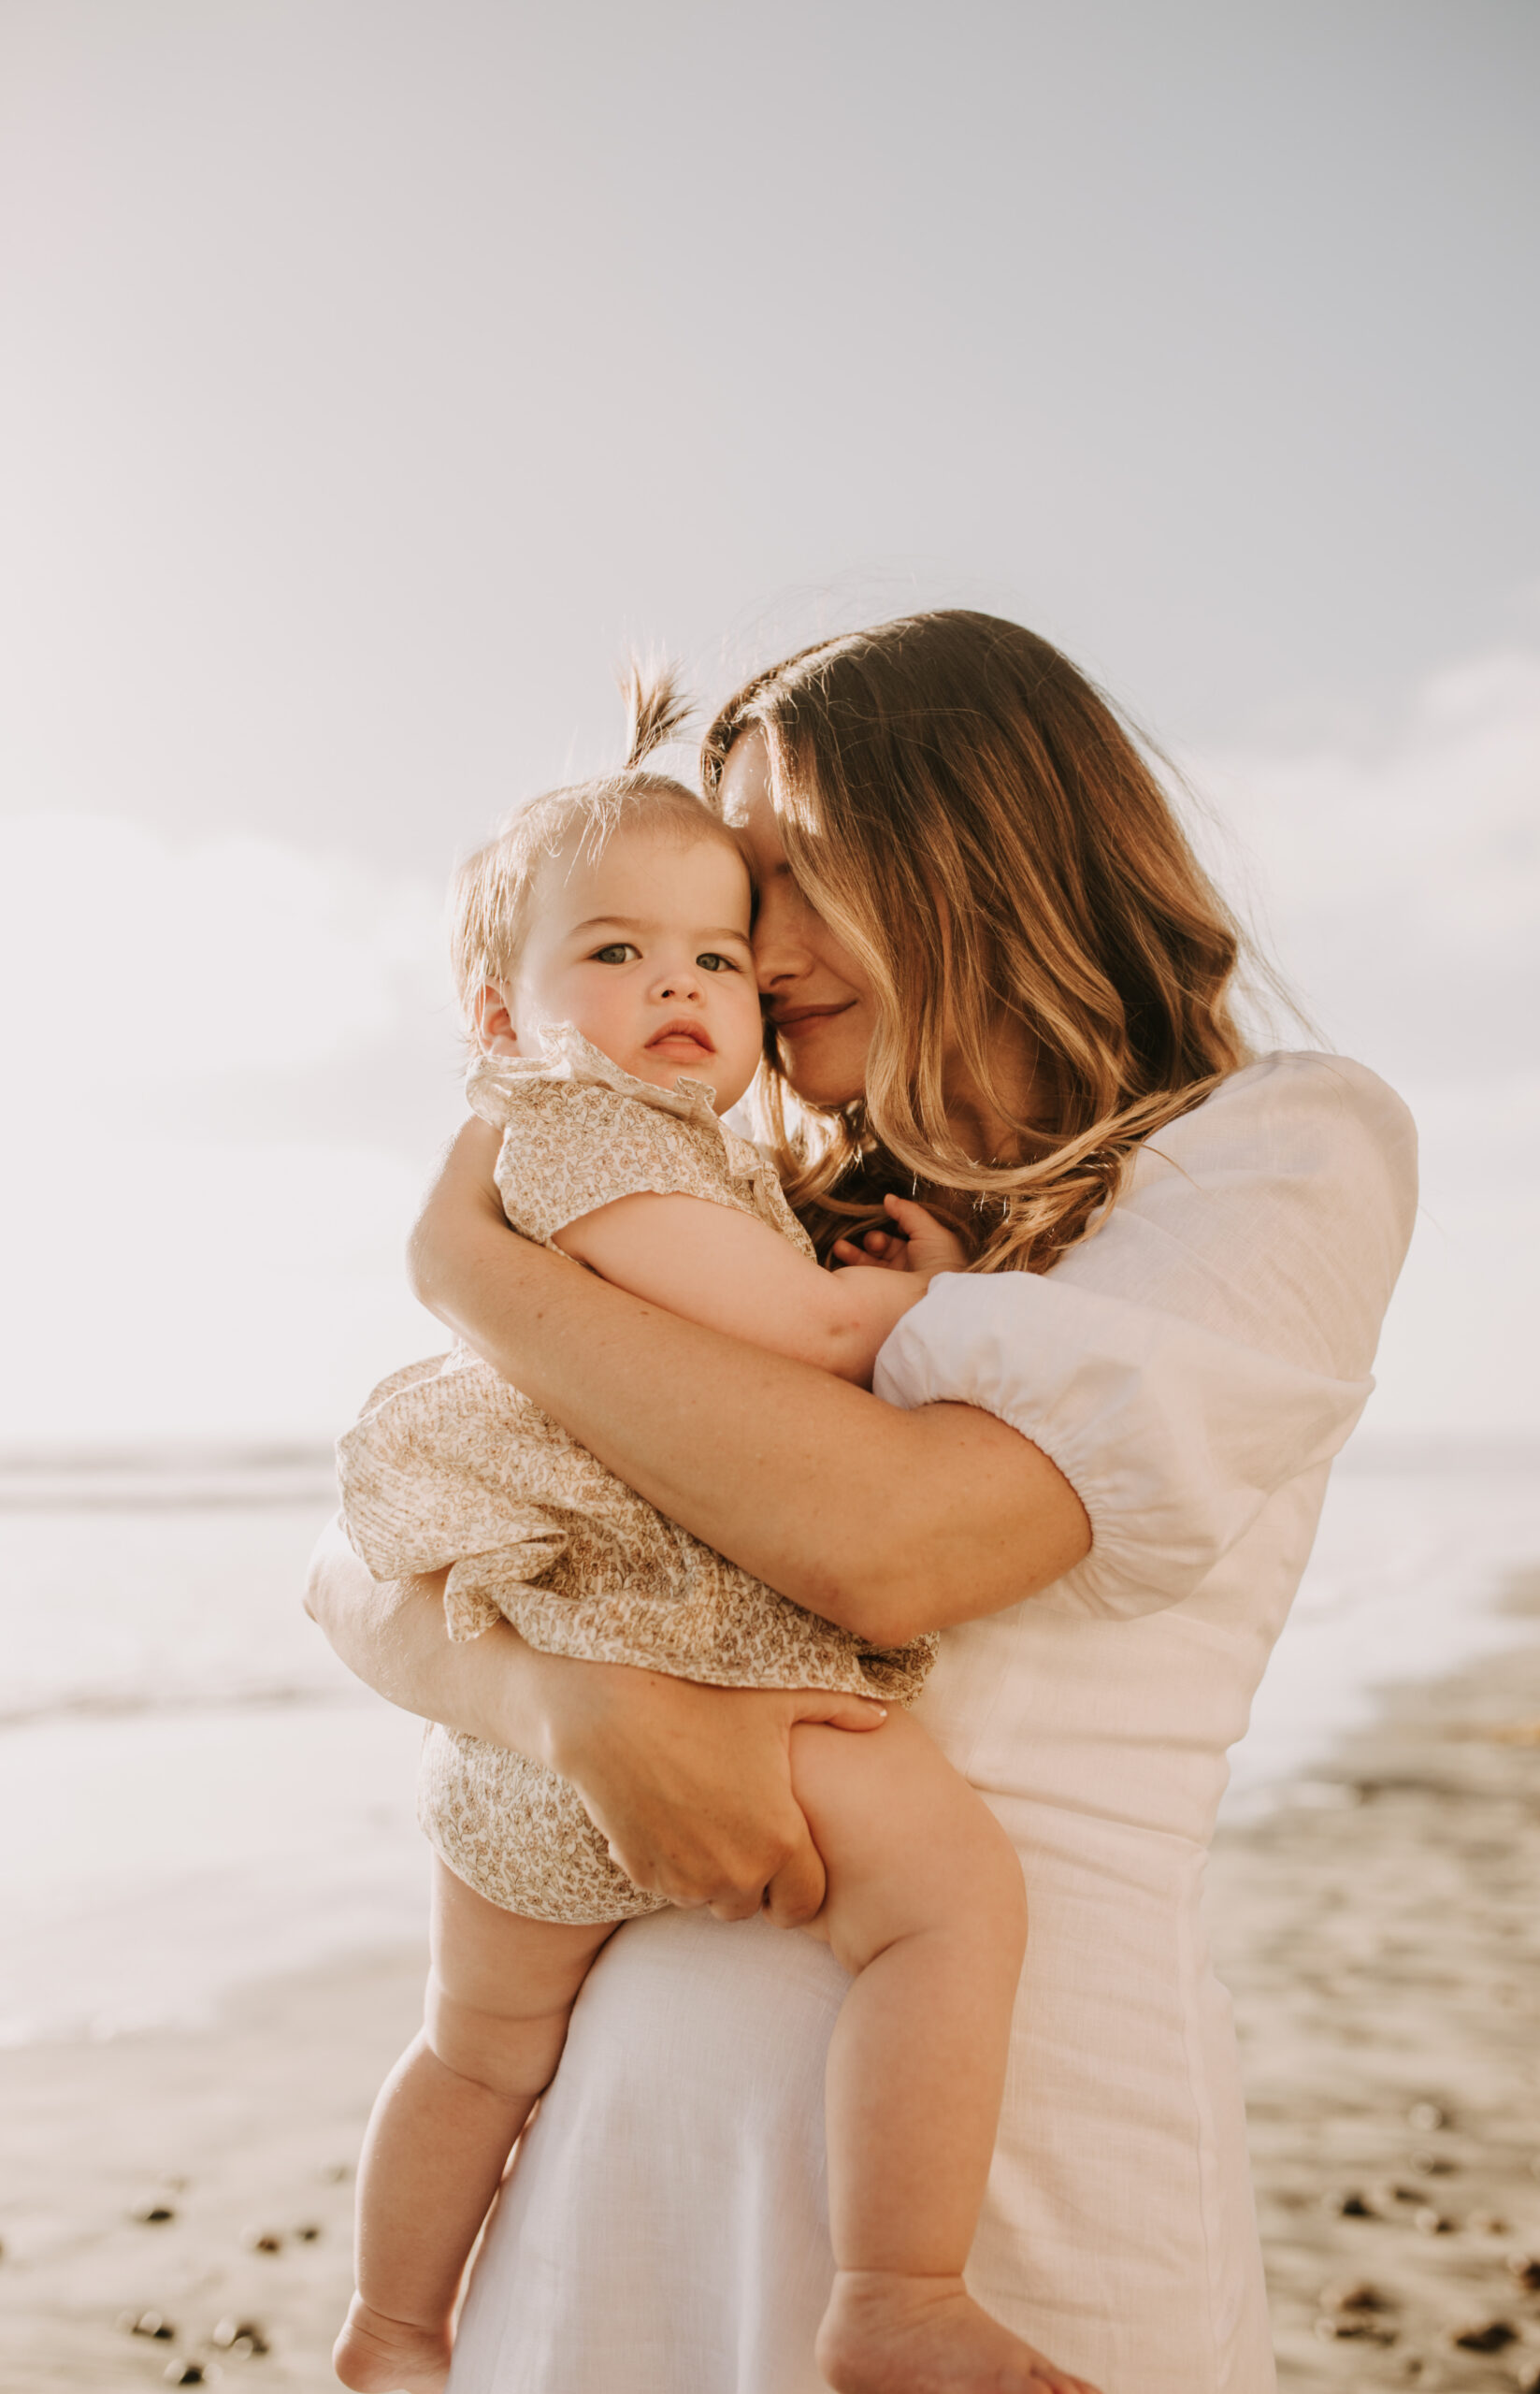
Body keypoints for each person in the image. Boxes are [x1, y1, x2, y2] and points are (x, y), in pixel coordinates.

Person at [307, 610, 1418, 2394]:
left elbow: (897, 1548)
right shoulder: (765, 1207)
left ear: (976, 839)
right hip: (614, 2173)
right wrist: (569, 1705)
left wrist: (478, 1277)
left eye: (794, 879)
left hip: (1013, 2178)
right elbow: (359, 1569)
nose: (752, 951)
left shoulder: (1277, 1153)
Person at [329, 676, 1085, 2394]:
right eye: (613, 953)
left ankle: (389, 2333)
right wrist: (939, 1294)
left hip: (560, 1714)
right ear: (497, 1005)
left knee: (476, 2056)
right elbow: (811, 1347)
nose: (679, 983)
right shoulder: (586, 1140)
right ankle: (896, 2295)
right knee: (947, 1905)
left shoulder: (681, 1160)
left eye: (718, 958)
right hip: (677, 1661)